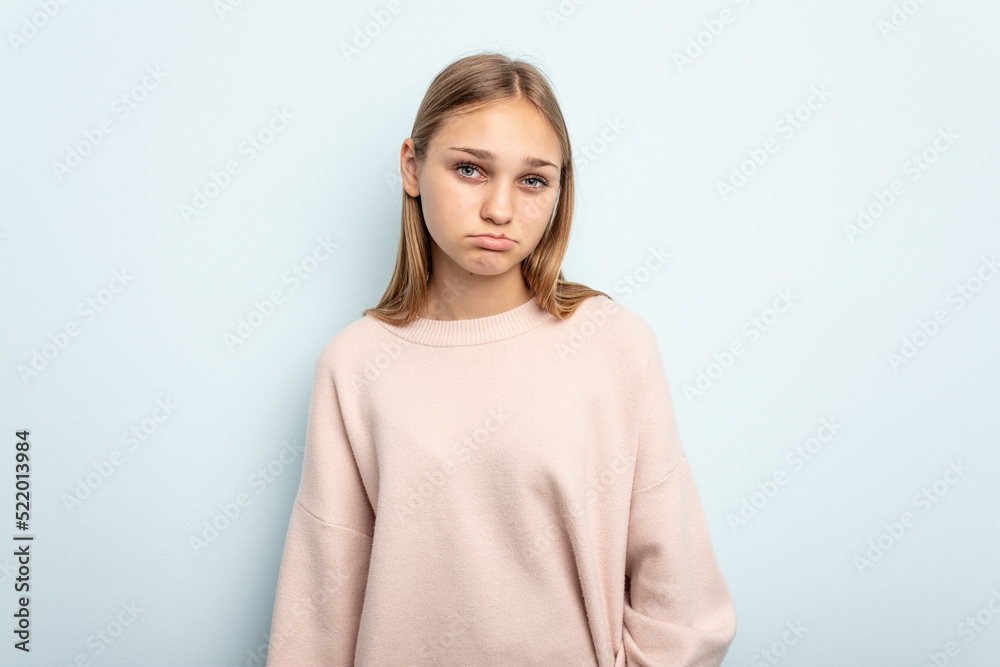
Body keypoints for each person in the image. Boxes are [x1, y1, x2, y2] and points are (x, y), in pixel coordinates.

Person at [264, 50, 737, 666]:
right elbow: (319, 609)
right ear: (412, 166)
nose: (500, 209)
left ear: (560, 189)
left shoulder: (614, 347)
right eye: (469, 169)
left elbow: (684, 602)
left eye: (533, 179)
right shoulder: (354, 365)